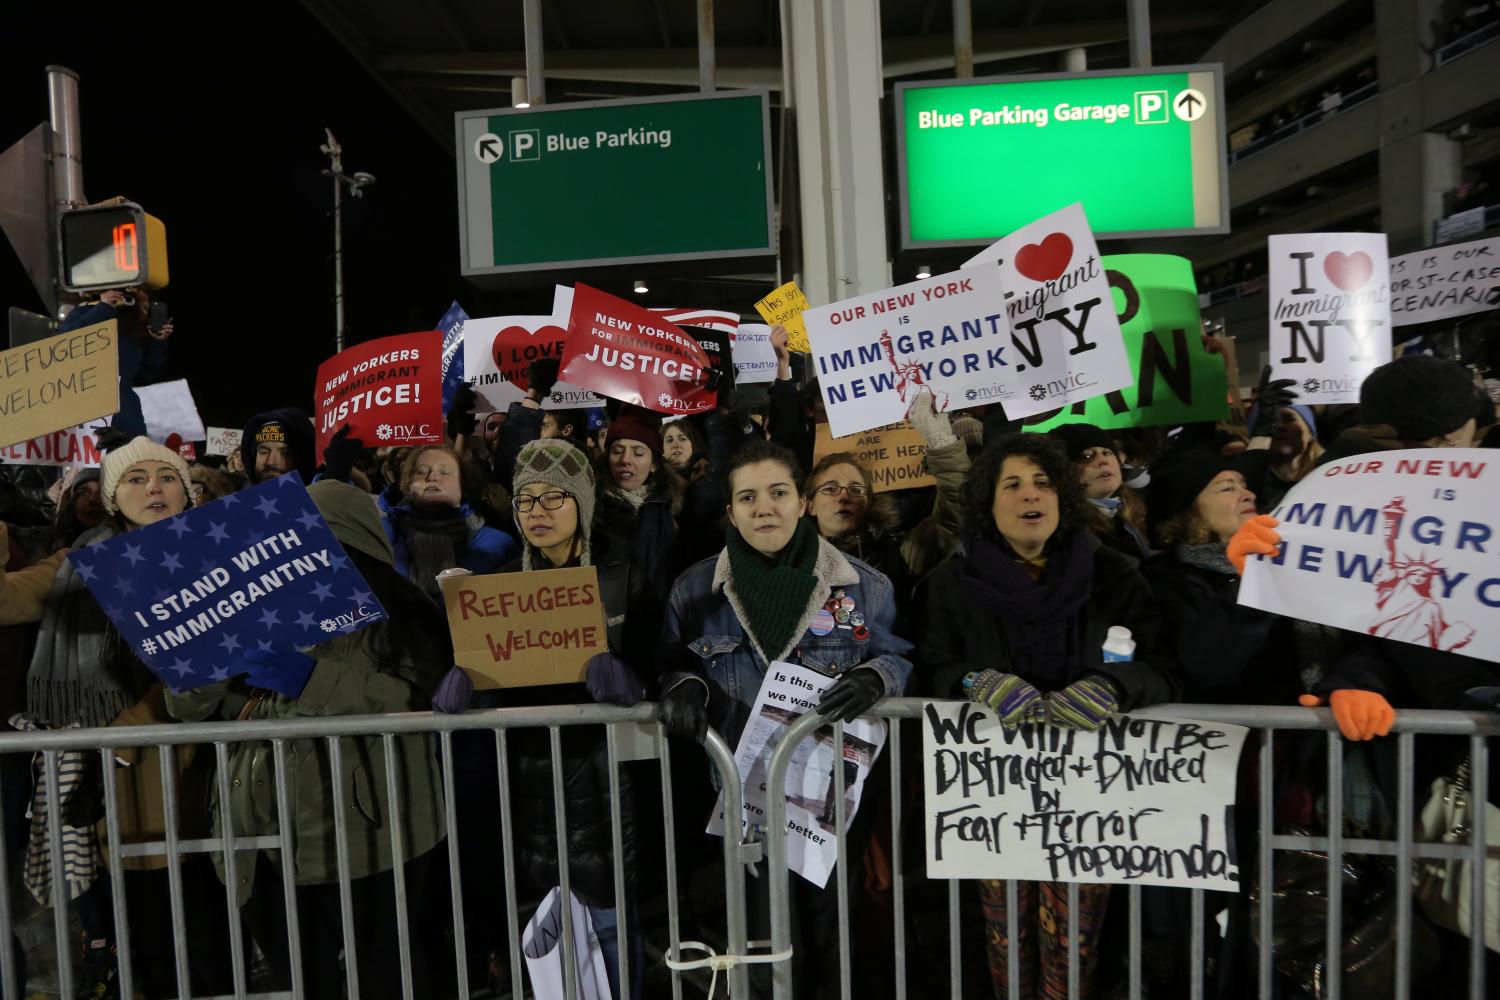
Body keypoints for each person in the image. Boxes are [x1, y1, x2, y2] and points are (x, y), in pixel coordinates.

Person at [915, 432, 1177, 1000]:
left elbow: (1165, 666)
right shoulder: (948, 586)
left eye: (1042, 483)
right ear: (988, 502)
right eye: (1012, 484)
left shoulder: (1117, 574)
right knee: (1002, 939)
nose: (1029, 495)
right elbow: (929, 665)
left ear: (1062, 497)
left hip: (1092, 807)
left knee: (1077, 946)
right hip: (993, 807)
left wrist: (1113, 683)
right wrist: (971, 681)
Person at [165, 480, 449, 1000]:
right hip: (259, 836)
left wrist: (311, 681)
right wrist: (210, 661)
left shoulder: (399, 617)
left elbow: (421, 701)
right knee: (298, 979)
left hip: (368, 837)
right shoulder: (248, 606)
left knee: (387, 972)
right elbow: (184, 707)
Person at [656, 439, 912, 995]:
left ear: (802, 503)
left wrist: (879, 676)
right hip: (740, 803)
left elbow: (902, 656)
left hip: (828, 809)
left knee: (830, 934)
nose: (763, 507)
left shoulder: (864, 588)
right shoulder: (695, 590)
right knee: (758, 942)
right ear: (730, 512)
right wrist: (682, 686)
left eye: (777, 493)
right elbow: (671, 664)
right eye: (747, 497)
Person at [0, 437, 233, 999]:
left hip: (186, 760)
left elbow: (220, 654)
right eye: (135, 478)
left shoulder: (220, 553)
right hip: (115, 773)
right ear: (110, 496)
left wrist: (133, 725)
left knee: (200, 912)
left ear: (187, 491)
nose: (154, 486)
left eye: (167, 476)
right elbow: (7, 601)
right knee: (137, 918)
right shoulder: (77, 562)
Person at [434, 438, 644, 998]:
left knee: (610, 929)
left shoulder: (623, 571)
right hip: (528, 783)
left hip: (604, 781)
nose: (539, 511)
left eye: (555, 498)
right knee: (545, 937)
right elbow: (499, 674)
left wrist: (632, 678)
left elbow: (662, 659)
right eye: (527, 500)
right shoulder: (501, 583)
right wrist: (468, 683)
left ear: (582, 504)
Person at [802, 387, 970, 606]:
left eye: (856, 490)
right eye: (831, 488)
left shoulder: (898, 556)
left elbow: (952, 519)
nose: (844, 497)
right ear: (810, 504)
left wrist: (941, 443)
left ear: (869, 502)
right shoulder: (789, 559)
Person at [376, 444, 517, 603]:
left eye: (445, 472)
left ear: (463, 485)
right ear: (408, 485)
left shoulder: (497, 544)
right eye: (421, 472)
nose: (432, 477)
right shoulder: (382, 535)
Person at [58, 289, 172, 441]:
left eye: (146, 307)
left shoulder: (134, 334)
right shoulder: (89, 312)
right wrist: (104, 308)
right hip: (85, 421)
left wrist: (157, 343)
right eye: (140, 305)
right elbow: (62, 344)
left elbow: (146, 375)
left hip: (125, 420)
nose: (144, 312)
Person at [1047, 422, 1151, 562]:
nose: (1103, 461)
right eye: (1087, 456)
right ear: (1065, 472)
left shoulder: (1138, 512)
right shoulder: (1067, 532)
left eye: (1107, 452)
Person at [240, 407, 317, 485]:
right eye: (263, 452)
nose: (270, 462)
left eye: (285, 453)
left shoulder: (321, 496)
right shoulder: (236, 494)